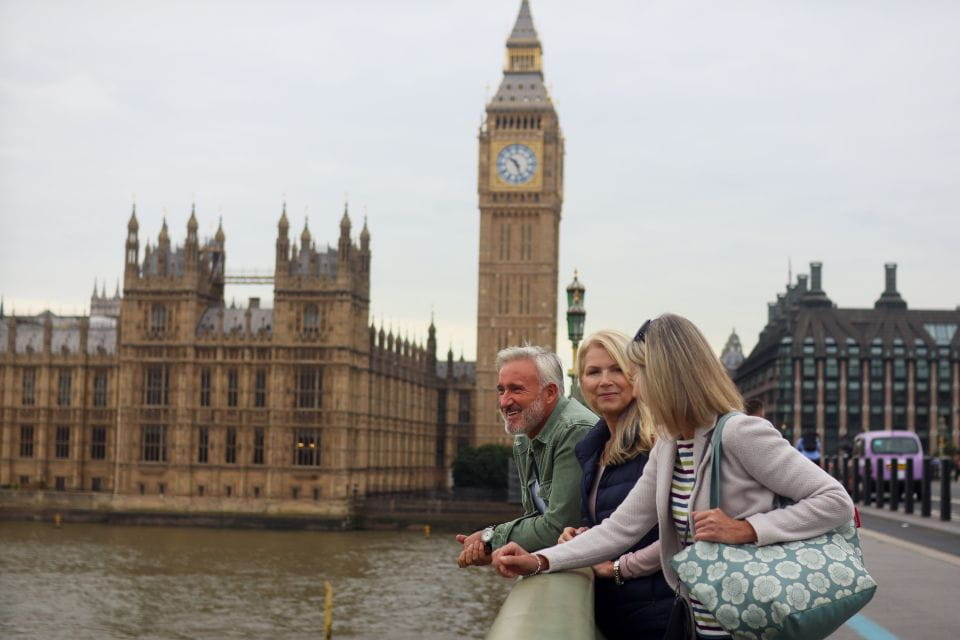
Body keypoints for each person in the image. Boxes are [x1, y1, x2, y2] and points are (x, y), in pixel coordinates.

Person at [492, 314, 854, 640]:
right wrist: (541, 560)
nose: (635, 386)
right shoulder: (670, 444)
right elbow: (620, 529)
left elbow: (835, 502)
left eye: (637, 375)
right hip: (695, 624)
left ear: (666, 376)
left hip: (748, 623)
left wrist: (748, 529)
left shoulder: (739, 434)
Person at [565, 330, 672, 640]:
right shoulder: (593, 449)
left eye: (617, 370)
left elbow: (682, 533)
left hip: (659, 614)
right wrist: (581, 534)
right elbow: (609, 521)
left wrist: (620, 569)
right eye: (594, 372)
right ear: (582, 382)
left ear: (636, 377)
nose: (605, 381)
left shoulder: (659, 441)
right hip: (618, 614)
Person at [456, 345, 596, 568]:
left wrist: (491, 538)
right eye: (501, 390)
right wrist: (491, 546)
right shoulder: (525, 437)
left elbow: (558, 527)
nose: (504, 402)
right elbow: (534, 516)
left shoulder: (574, 431)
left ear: (549, 393)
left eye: (516, 390)